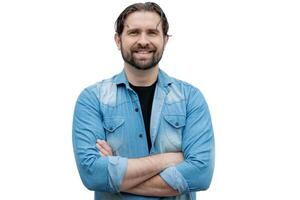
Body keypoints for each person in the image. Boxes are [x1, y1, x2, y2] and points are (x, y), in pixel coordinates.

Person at [72, 2, 215, 199]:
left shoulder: (190, 99)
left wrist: (115, 172)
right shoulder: (92, 100)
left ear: (165, 40)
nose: (143, 40)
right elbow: (93, 175)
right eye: (134, 32)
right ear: (117, 40)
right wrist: (169, 159)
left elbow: (201, 175)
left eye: (152, 32)